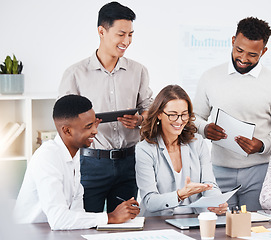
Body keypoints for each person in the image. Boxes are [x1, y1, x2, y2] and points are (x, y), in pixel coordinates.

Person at [58, 2, 153, 213]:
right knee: (86, 225)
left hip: (130, 162)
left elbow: (149, 111)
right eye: (121, 34)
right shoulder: (75, 74)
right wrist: (87, 125)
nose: (126, 41)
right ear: (101, 31)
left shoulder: (138, 71)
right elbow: (63, 123)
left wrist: (140, 120)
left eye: (130, 34)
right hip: (91, 164)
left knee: (125, 226)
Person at [193, 17, 271, 211]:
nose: (244, 59)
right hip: (218, 171)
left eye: (253, 54)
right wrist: (205, 129)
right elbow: (193, 117)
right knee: (219, 228)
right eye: (239, 50)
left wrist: (262, 145)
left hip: (260, 172)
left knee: (257, 229)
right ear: (232, 41)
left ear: (264, 51)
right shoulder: (210, 77)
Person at [13, 95, 140, 230]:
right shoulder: (47, 157)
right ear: (67, 130)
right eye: (88, 126)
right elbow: (59, 219)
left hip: (52, 233)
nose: (95, 131)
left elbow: (77, 213)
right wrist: (111, 217)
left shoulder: (74, 155)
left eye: (95, 124)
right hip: (28, 234)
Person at [135, 85, 228, 216]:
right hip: (159, 222)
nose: (179, 121)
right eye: (173, 115)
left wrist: (217, 202)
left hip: (195, 219)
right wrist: (180, 195)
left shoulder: (197, 142)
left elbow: (209, 184)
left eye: (184, 115)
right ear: (159, 114)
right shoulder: (145, 149)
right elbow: (149, 201)